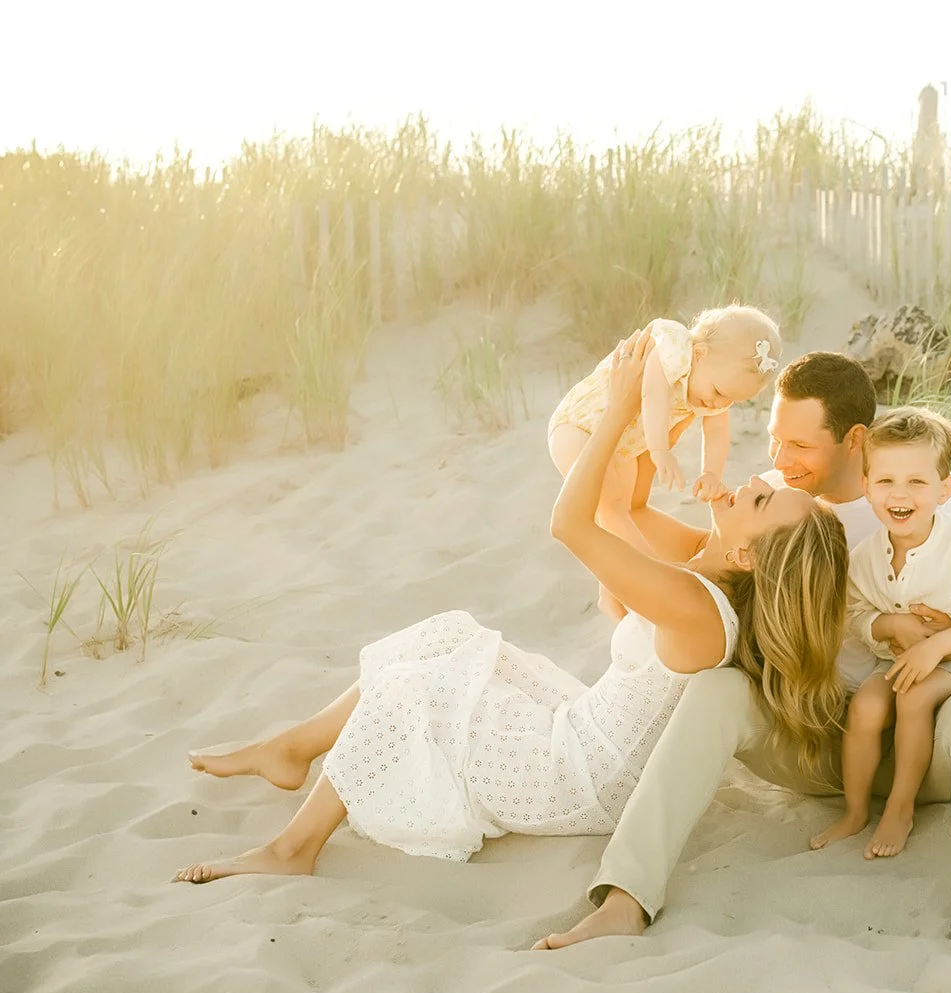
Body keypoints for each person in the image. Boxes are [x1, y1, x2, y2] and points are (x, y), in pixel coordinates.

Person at [174, 330, 848, 885]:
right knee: (451, 635)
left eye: (760, 501)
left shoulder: (698, 606)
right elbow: (631, 507)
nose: (750, 484)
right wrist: (657, 410)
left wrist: (613, 414)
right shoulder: (707, 561)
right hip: (584, 721)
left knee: (419, 690)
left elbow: (571, 525)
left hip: (576, 773)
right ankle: (292, 748)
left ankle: (294, 850)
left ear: (751, 558)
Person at [538, 352, 951, 985]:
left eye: (799, 445)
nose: (779, 461)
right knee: (718, 688)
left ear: (854, 441)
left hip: (914, 742)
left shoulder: (920, 492)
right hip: (811, 743)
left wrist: (950, 643)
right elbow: (688, 555)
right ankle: (626, 898)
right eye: (773, 441)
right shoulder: (781, 504)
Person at [810, 407, 951, 858]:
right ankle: (854, 810)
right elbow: (853, 612)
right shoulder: (868, 556)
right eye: (885, 481)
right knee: (866, 706)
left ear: (944, 490)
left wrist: (944, 643)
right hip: (897, 659)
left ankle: (900, 807)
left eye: (917, 482)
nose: (899, 494)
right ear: (866, 486)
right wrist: (884, 624)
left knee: (914, 695)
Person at [548, 305, 782, 620]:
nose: (717, 403)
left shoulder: (713, 385)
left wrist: (711, 472)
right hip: (578, 426)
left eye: (730, 400)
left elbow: (716, 430)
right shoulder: (674, 347)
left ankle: (613, 588)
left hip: (624, 444)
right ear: (699, 354)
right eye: (718, 392)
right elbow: (652, 394)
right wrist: (659, 451)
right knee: (613, 507)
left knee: (626, 509)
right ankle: (658, 581)